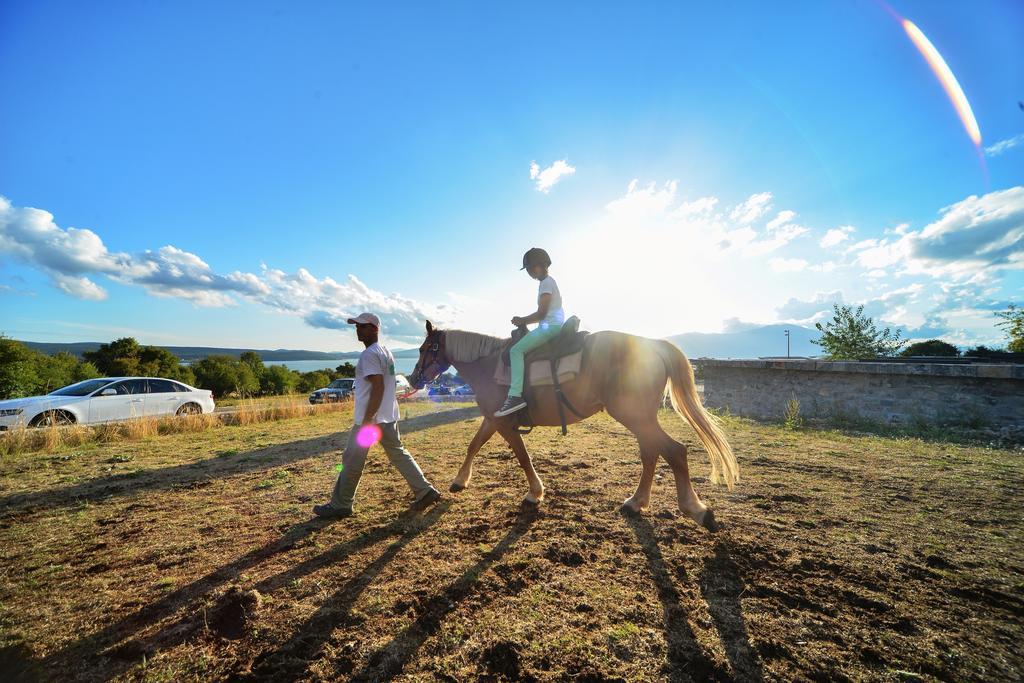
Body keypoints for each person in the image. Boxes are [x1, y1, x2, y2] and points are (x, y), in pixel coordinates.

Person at [314, 312, 441, 518]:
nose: (358, 330)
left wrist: (367, 421)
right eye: (356, 326)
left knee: (352, 459)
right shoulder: (385, 351)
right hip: (387, 416)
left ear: (375, 328)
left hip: (371, 420)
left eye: (362, 326)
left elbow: (379, 386)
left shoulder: (369, 354)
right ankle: (425, 491)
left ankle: (341, 505)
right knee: (398, 453)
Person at [495, 247, 565, 417]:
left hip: (550, 327)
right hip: (550, 325)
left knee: (516, 350)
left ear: (536, 266)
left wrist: (522, 320)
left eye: (527, 269)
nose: (527, 272)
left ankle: (515, 396)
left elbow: (542, 313)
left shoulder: (547, 283)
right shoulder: (546, 283)